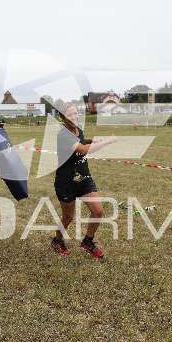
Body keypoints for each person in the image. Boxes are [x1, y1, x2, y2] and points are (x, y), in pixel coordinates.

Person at [52, 103, 116, 259]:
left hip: (83, 178)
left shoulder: (78, 129)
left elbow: (82, 141)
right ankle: (57, 241)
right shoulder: (63, 134)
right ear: (63, 117)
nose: (74, 117)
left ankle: (88, 242)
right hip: (66, 181)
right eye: (69, 115)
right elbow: (82, 149)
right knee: (68, 217)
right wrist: (106, 141)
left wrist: (93, 139)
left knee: (98, 211)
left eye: (75, 113)